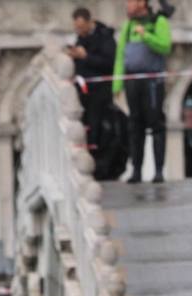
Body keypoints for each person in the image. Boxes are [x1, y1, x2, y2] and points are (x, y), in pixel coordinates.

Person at [113, 0, 173, 184]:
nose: (126, 5)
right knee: (135, 125)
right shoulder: (128, 26)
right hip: (132, 81)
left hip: (152, 81)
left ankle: (159, 171)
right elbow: (121, 55)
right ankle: (136, 170)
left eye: (130, 2)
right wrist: (117, 84)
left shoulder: (159, 22)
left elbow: (165, 46)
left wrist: (146, 35)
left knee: (155, 124)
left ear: (141, 3)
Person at [68, 8, 122, 179]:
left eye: (82, 27)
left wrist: (86, 57)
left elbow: (110, 63)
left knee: (99, 131)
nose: (80, 31)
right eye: (77, 28)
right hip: (83, 93)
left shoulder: (105, 37)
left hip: (101, 93)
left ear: (89, 22)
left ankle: (100, 168)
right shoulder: (80, 39)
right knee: (85, 129)